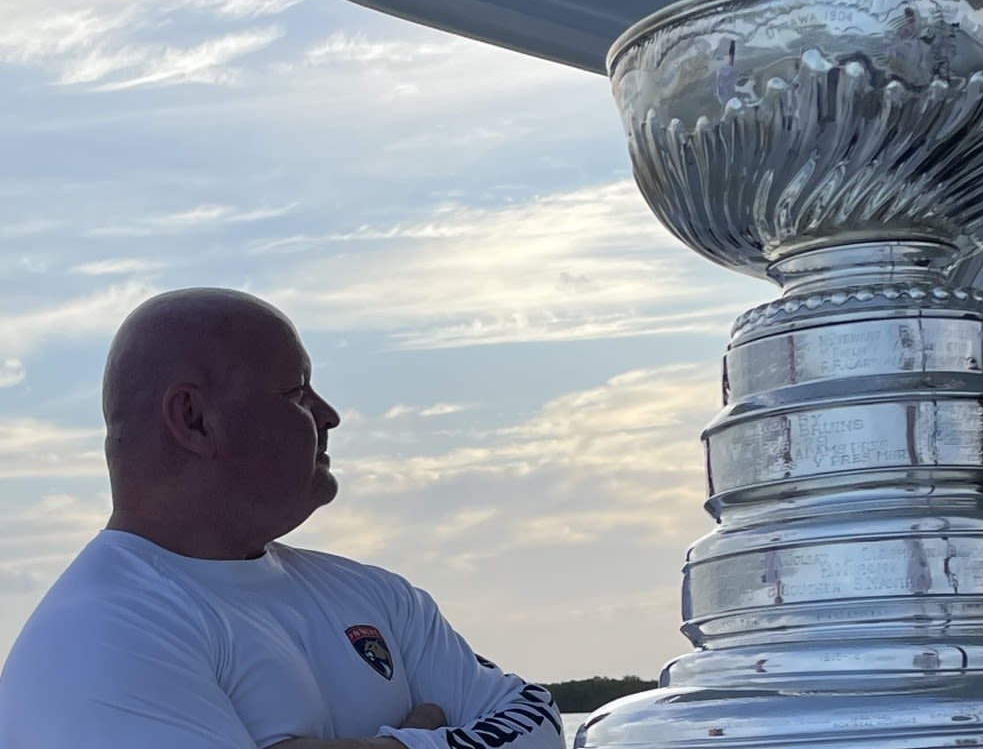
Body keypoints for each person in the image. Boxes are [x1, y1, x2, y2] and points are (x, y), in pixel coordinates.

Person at [0, 288, 564, 749]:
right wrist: (428, 732)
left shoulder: (380, 598)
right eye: (297, 392)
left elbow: (537, 722)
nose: (330, 416)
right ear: (193, 419)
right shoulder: (104, 634)